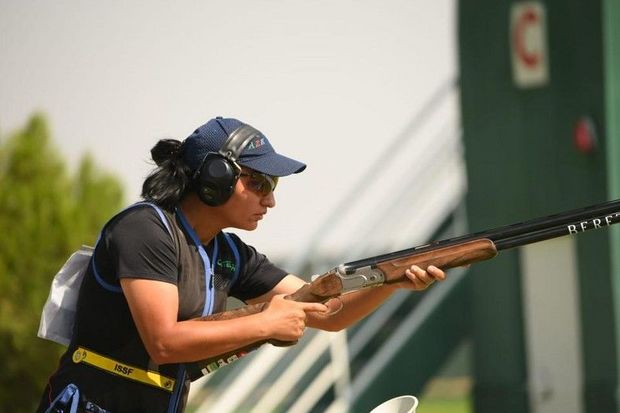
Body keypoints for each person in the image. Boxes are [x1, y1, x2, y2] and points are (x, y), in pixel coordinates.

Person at [37, 116, 445, 413]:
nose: (270, 199)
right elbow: (163, 342)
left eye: (273, 185)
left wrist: (391, 280)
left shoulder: (228, 253)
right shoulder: (145, 230)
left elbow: (328, 313)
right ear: (216, 177)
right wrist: (266, 323)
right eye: (260, 183)